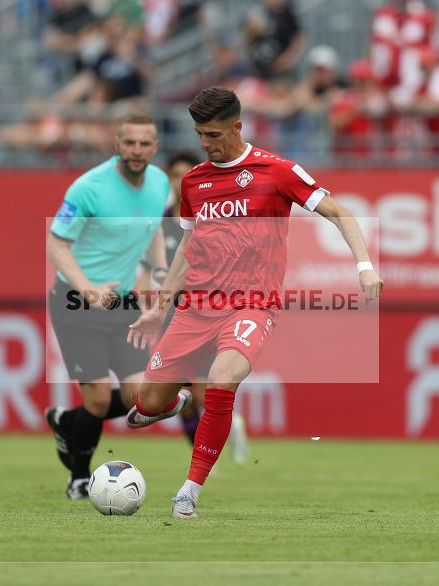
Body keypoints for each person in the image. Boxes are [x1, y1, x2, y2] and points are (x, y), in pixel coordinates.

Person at [126, 88, 383, 518]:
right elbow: (189, 247)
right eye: (199, 134)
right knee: (147, 402)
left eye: (212, 134)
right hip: (196, 307)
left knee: (224, 377)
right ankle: (174, 402)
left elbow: (339, 212)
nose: (205, 144)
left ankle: (189, 491)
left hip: (252, 304)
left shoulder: (276, 171)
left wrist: (364, 266)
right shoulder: (193, 181)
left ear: (237, 127)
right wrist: (159, 306)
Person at [44, 113, 175, 500]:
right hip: (75, 300)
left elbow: (150, 229)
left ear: (155, 147)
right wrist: (85, 289)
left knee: (140, 398)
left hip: (121, 302)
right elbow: (55, 244)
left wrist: (160, 268)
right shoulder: (89, 187)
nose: (136, 151)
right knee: (99, 398)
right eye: (129, 143)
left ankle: (67, 421)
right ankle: (79, 478)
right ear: (116, 145)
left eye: (144, 144)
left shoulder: (160, 183)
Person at [153, 151, 250, 462]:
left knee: (196, 390)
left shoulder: (212, 214)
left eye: (185, 174)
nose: (180, 181)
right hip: (171, 312)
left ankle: (218, 437)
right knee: (178, 393)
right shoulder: (162, 219)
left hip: (202, 311)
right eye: (174, 175)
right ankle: (205, 451)